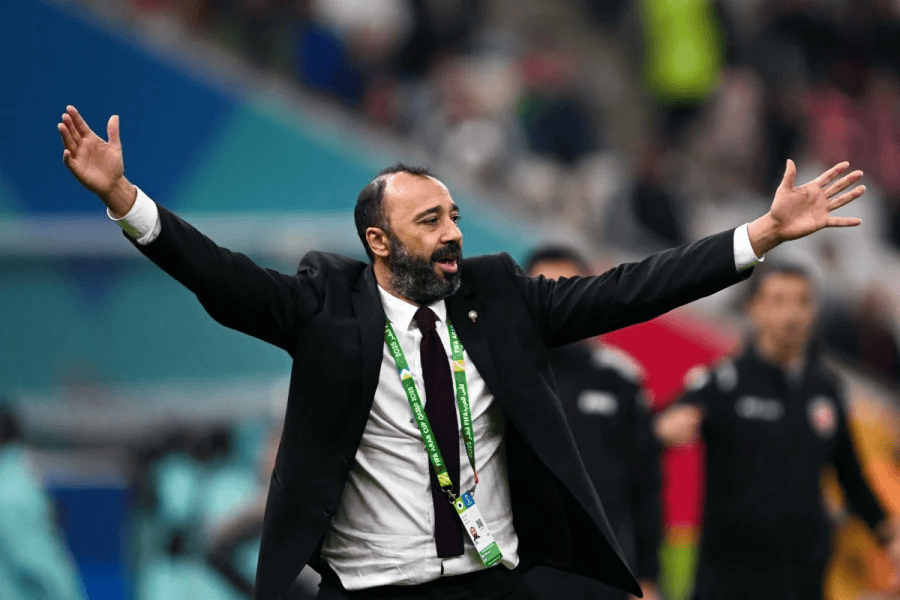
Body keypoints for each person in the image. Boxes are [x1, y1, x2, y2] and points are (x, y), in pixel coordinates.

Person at [58, 105, 866, 600]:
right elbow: (221, 276)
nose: (452, 234)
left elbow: (629, 289)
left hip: (491, 585)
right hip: (372, 590)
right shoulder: (323, 305)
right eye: (429, 222)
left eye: (454, 216)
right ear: (378, 242)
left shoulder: (501, 295)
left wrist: (759, 236)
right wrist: (126, 201)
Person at [655, 263, 900, 600]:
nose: (792, 314)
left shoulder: (825, 390)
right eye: (779, 301)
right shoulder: (724, 382)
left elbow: (851, 477)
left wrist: (889, 536)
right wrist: (663, 429)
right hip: (730, 577)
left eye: (803, 301)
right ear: (753, 308)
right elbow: (655, 429)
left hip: (803, 576)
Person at [522, 246, 662, 600]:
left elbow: (645, 485)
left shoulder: (620, 378)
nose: (556, 301)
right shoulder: (498, 374)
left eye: (567, 287)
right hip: (518, 575)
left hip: (602, 576)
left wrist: (647, 576)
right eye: (544, 289)